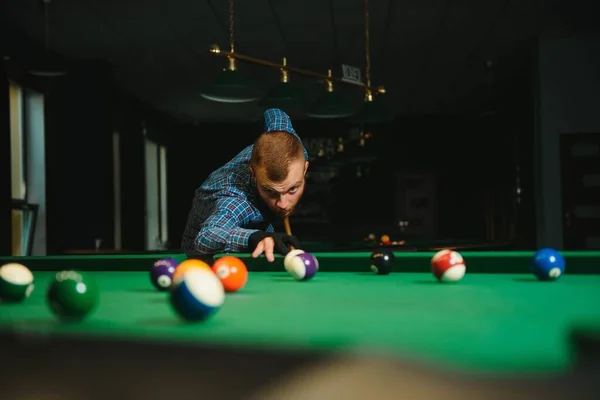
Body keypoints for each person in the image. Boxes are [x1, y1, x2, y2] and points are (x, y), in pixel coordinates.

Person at [181, 108, 308, 262]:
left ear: (305, 168)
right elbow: (205, 237)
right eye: (270, 191)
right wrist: (253, 237)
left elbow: (274, 113)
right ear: (253, 174)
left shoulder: (288, 140)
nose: (282, 204)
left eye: (292, 189)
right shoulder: (237, 199)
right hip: (203, 257)